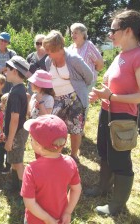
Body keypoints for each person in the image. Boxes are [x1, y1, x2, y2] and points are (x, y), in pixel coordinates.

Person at [88, 10, 140, 216]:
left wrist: (111, 96)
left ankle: (116, 206)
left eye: (113, 30)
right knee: (105, 153)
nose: (110, 34)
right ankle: (102, 188)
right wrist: (102, 96)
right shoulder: (121, 54)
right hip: (108, 113)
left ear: (128, 30)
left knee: (120, 161)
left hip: (123, 118)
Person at [43, 30, 93, 163]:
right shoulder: (49, 60)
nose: (47, 53)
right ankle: (56, 152)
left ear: (59, 48)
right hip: (57, 99)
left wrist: (79, 90)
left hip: (74, 98)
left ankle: (74, 155)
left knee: (75, 128)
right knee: (56, 127)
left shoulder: (73, 59)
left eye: (50, 50)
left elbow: (89, 77)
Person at [21, 115, 82, 224]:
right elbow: (76, 189)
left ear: (38, 145)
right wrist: (68, 212)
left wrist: (47, 219)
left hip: (36, 220)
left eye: (31, 139)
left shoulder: (31, 169)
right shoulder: (70, 163)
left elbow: (29, 203)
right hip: (60, 218)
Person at [4, 55, 30, 191]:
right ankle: (15, 186)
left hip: (16, 133)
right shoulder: (20, 88)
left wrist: (9, 140)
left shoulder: (15, 93)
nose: (5, 72)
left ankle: (24, 191)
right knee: (14, 159)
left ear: (14, 71)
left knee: (18, 162)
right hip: (19, 131)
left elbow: (14, 119)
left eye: (7, 69)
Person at [69, 23, 104, 91]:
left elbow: (100, 65)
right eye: (72, 33)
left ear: (83, 34)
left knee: (83, 101)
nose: (73, 35)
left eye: (76, 33)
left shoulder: (89, 46)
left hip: (87, 83)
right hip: (74, 84)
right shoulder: (70, 48)